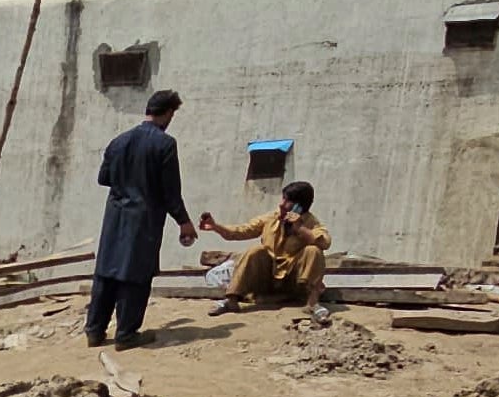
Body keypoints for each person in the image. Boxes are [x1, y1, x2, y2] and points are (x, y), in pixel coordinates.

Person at [86, 88, 197, 347]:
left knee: (107, 272)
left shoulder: (119, 141)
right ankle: (126, 334)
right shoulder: (165, 144)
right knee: (136, 275)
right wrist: (184, 222)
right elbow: (170, 191)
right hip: (144, 220)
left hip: (115, 217)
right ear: (168, 113)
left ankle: (94, 331)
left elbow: (104, 178)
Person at [202, 179, 332, 315]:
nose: (281, 204)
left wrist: (300, 228)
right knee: (256, 250)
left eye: (288, 201)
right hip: (268, 279)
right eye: (283, 198)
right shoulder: (272, 218)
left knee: (313, 250)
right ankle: (231, 300)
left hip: (294, 283)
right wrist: (216, 227)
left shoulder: (312, 223)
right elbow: (242, 230)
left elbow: (325, 243)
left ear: (298, 207)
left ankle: (312, 303)